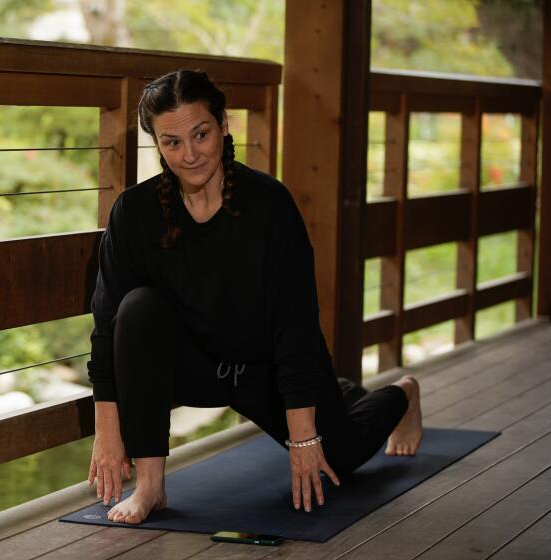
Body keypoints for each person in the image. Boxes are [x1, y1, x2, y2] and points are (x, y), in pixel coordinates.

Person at [85, 69, 423, 525]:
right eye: (172, 143)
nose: (189, 155)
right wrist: (108, 431)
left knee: (338, 459)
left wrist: (305, 439)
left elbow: (296, 323)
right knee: (137, 308)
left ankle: (401, 394)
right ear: (158, 145)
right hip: (194, 370)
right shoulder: (133, 213)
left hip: (265, 369)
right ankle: (152, 486)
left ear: (225, 125)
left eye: (200, 134)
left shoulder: (269, 205)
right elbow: (108, 328)